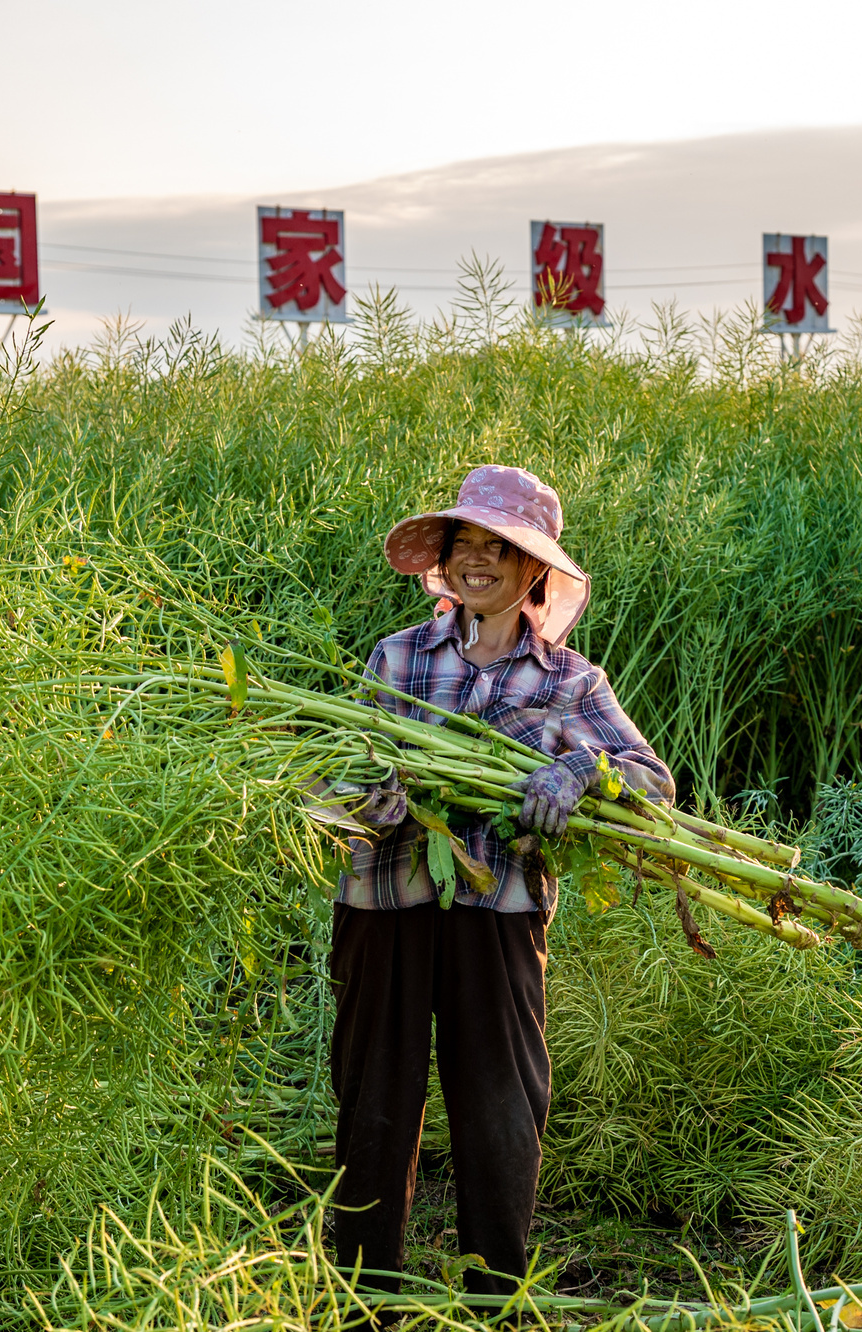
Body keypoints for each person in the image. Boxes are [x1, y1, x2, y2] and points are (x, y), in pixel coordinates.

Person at [328, 464, 674, 1303]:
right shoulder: (398, 654)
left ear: (535, 573)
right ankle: (367, 1298)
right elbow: (340, 769)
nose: (479, 560)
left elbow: (655, 781)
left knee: (500, 1107)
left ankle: (496, 1301)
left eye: (502, 547)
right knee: (373, 1102)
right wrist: (366, 798)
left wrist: (584, 773)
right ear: (443, 562)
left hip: (500, 908)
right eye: (466, 544)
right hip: (387, 899)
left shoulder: (568, 680)